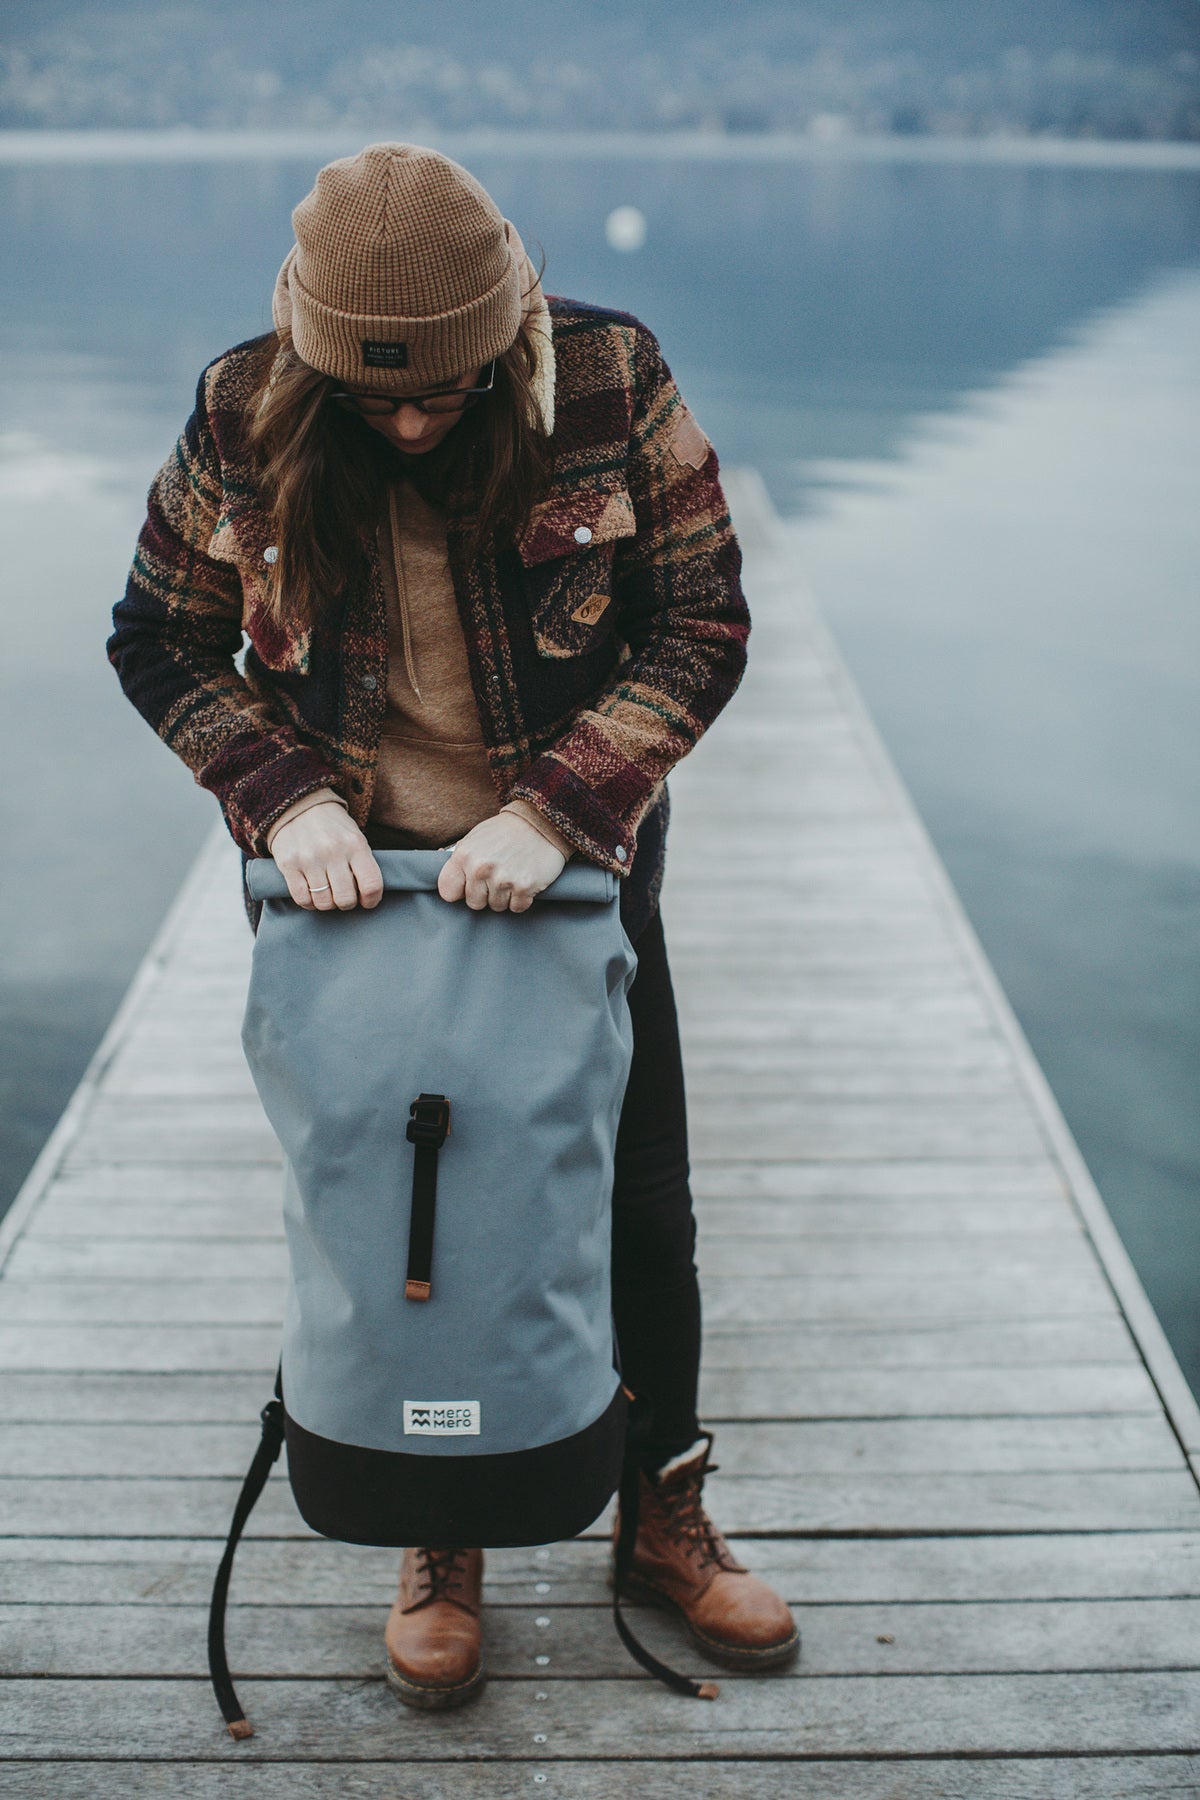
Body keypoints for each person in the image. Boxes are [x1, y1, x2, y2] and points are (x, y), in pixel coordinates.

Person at [108, 142, 798, 1709]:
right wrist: (285, 796)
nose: (413, 422)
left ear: (510, 329)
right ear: (314, 355)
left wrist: (556, 808)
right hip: (350, 886)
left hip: (573, 869)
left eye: (446, 394)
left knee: (640, 1195)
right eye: (377, 397)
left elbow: (704, 620)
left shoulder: (614, 379)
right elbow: (160, 635)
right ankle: (445, 1521)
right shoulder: (238, 410)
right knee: (396, 1210)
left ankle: (661, 1514)